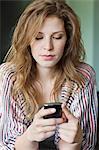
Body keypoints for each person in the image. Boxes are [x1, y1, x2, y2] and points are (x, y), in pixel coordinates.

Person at [0, 0, 98, 149]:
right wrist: (30, 137)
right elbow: (7, 145)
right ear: (27, 40)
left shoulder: (83, 76)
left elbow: (86, 145)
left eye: (57, 37)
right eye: (38, 37)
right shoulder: (9, 76)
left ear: (68, 40)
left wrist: (75, 141)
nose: (48, 47)